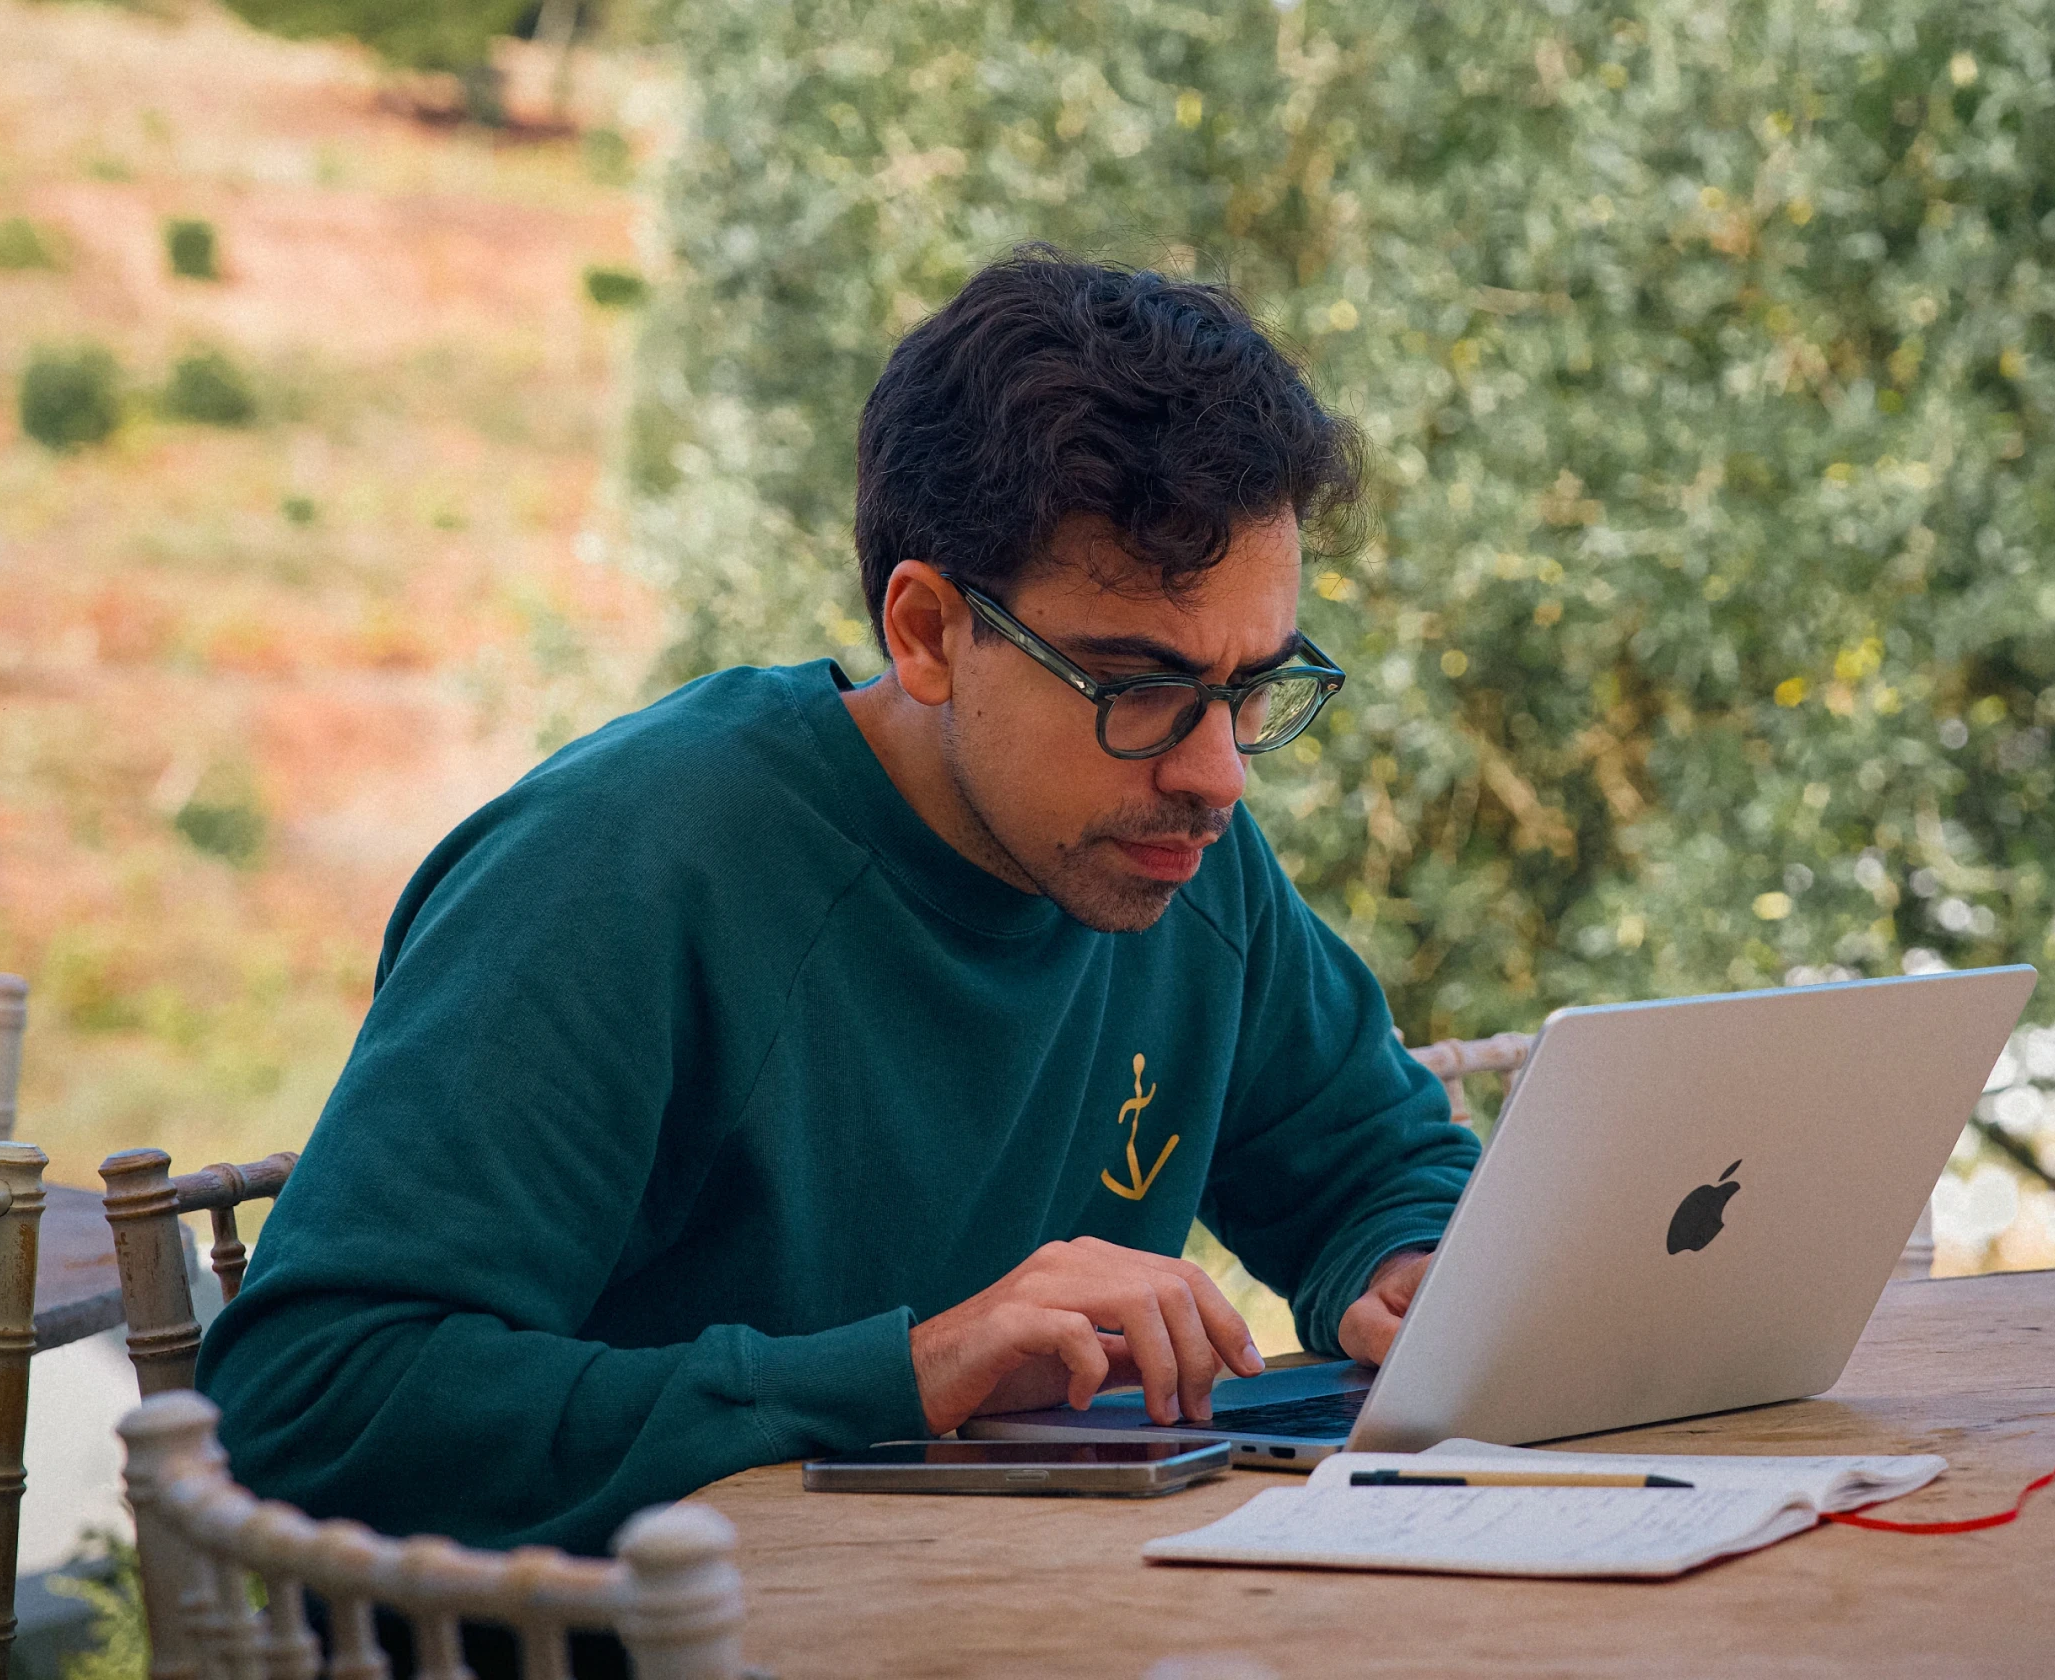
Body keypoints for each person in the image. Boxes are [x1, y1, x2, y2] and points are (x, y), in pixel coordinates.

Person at [197, 248, 1479, 1558]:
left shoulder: (1173, 854)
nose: (1214, 773)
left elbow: (1380, 1165)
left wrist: (1410, 1269)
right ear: (926, 632)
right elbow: (308, 1404)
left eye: (1255, 686)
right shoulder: (626, 872)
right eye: (1135, 688)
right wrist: (903, 1378)